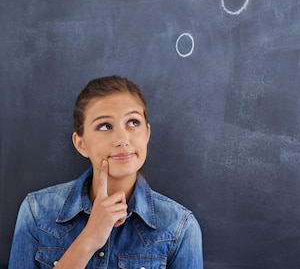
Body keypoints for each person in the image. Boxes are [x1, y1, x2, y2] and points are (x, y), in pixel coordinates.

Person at [8, 75, 203, 268]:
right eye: (105, 126)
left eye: (133, 122)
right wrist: (89, 239)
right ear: (81, 144)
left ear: (147, 133)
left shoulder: (180, 227)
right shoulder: (36, 212)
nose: (122, 138)